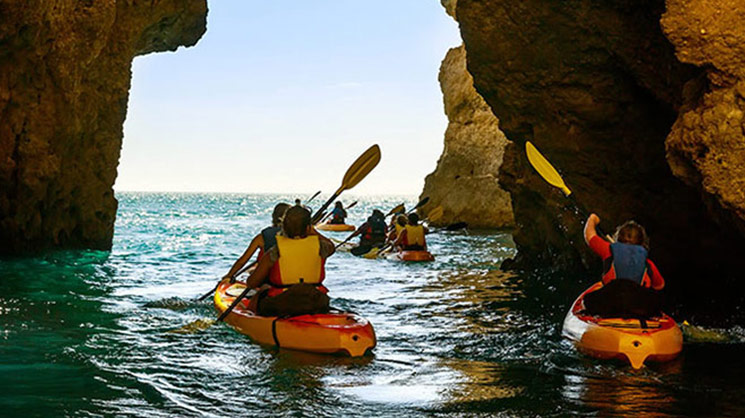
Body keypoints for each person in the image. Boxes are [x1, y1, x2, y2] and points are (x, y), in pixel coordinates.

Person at [243, 205, 336, 316]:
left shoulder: (275, 251)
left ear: (284, 227)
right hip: (315, 302)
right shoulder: (322, 247)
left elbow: (252, 283)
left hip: (283, 304)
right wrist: (313, 231)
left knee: (262, 291)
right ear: (308, 228)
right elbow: (332, 247)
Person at [582, 213, 665, 318]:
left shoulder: (608, 250)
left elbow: (589, 235)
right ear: (642, 242)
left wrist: (593, 219)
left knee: (588, 299)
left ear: (618, 238)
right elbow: (659, 285)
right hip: (639, 308)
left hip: (611, 304)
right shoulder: (648, 263)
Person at [223, 202, 290, 281]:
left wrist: (229, 275)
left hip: (269, 279)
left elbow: (242, 261)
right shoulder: (298, 236)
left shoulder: (261, 238)